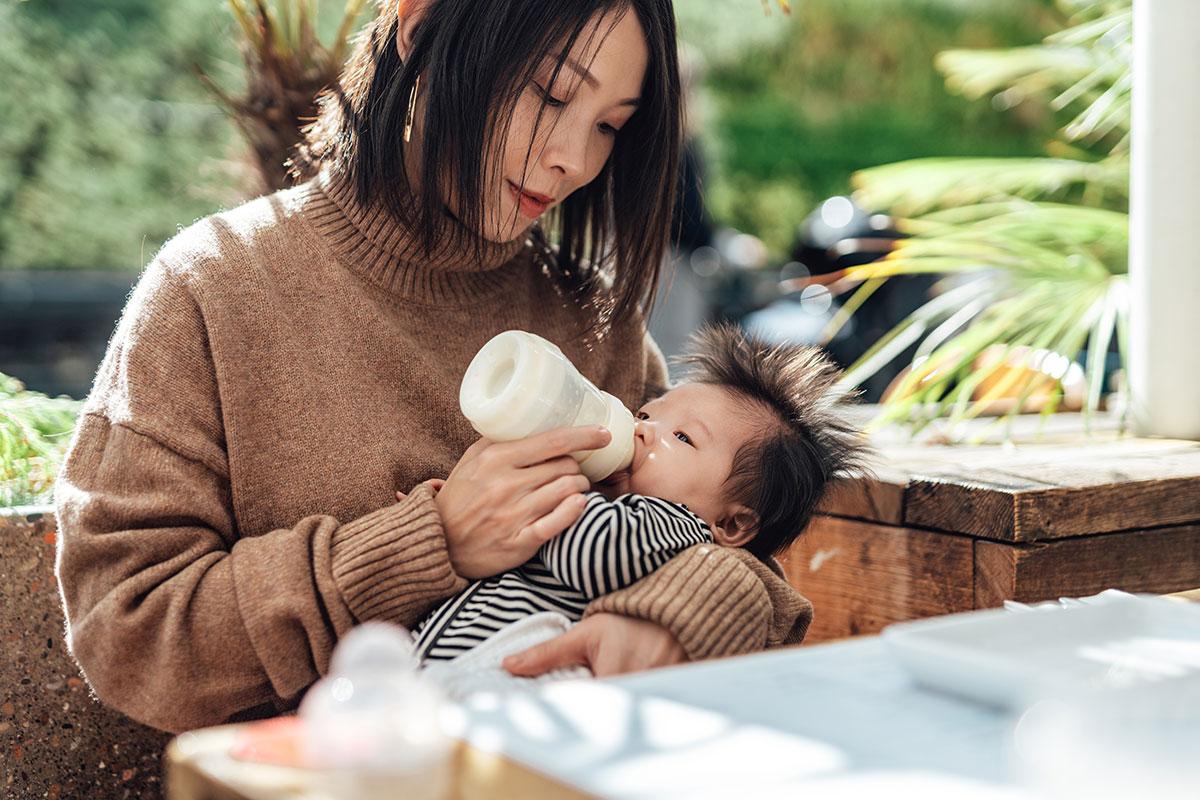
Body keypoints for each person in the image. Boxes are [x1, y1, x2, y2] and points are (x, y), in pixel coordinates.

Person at [53, 0, 813, 735]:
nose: (573, 160)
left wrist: (672, 620)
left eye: (611, 125)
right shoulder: (214, 287)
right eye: (551, 94)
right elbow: (128, 635)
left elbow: (738, 541)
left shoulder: (591, 320)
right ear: (420, 28)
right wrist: (426, 544)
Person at [412, 323, 867, 666]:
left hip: (522, 673)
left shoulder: (672, 525)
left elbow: (591, 554)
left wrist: (524, 497)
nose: (642, 430)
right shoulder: (613, 503)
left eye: (684, 438)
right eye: (646, 414)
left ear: (730, 523)